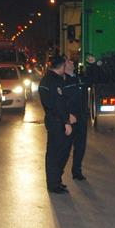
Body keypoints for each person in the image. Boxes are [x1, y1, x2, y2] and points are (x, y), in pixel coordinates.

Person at [39, 55, 73, 194]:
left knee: (58, 153)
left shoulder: (49, 79)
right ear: (62, 67)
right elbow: (57, 104)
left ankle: (56, 181)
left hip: (54, 120)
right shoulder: (53, 81)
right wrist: (66, 122)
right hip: (56, 122)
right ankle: (53, 184)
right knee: (55, 154)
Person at [62, 58, 89, 181]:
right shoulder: (61, 80)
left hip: (81, 117)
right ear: (64, 65)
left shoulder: (79, 77)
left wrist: (93, 65)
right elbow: (58, 101)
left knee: (80, 146)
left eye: (72, 62)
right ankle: (57, 175)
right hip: (70, 118)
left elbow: (93, 79)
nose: (72, 63)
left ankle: (77, 171)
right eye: (69, 62)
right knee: (65, 148)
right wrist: (66, 116)